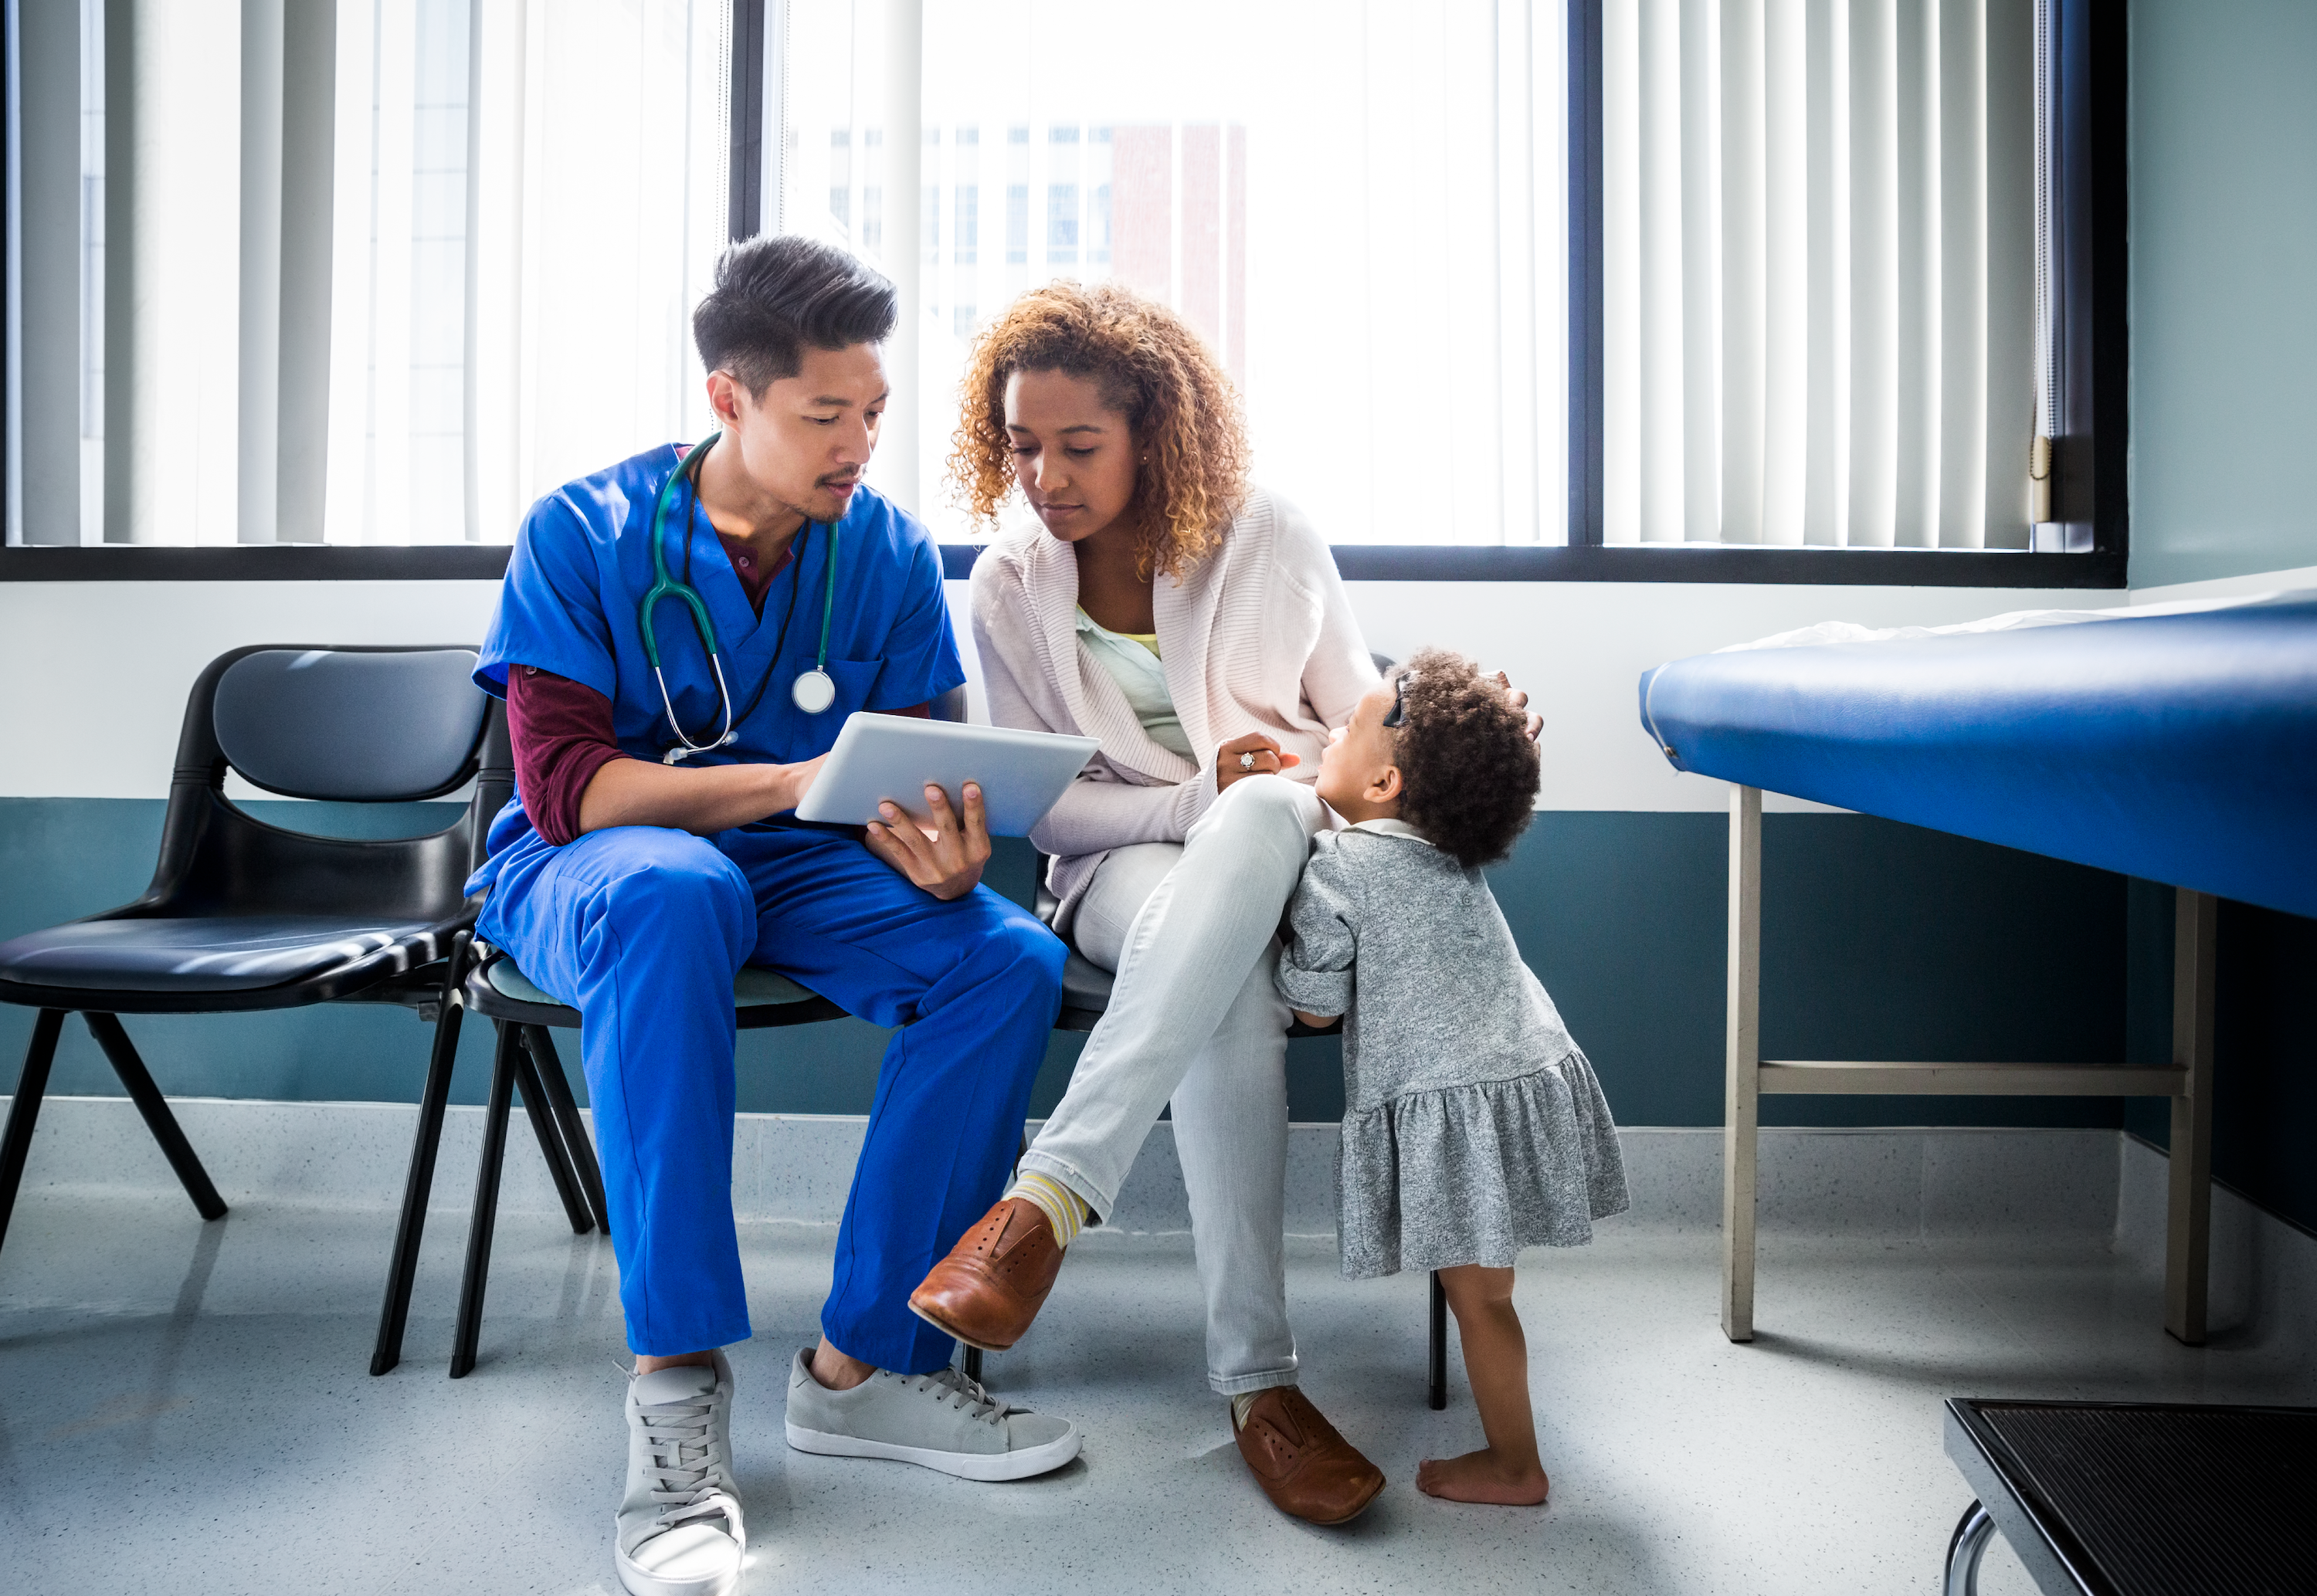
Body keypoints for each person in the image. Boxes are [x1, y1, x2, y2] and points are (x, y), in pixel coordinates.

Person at [469, 236, 1078, 1596]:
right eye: (826, 414)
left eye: (872, 409)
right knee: (676, 892)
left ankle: (866, 1366)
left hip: (798, 864)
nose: (860, 441)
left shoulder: (885, 551)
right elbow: (569, 787)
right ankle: (675, 1386)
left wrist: (937, 848)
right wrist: (793, 781)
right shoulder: (585, 532)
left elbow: (919, 765)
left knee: (1004, 958)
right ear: (728, 398)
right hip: (598, 868)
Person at [903, 280, 1390, 1523]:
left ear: (1151, 433)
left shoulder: (1269, 535)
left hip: (1288, 852)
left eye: (1078, 446)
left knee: (1269, 808)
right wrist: (1192, 805)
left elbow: (1357, 724)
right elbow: (1049, 808)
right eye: (1020, 445)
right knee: (1222, 978)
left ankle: (1042, 1201)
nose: (1044, 476)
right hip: (1117, 867)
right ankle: (1262, 1389)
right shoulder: (1009, 583)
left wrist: (1332, 771)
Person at [1275, 649, 1630, 1505]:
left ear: (1388, 784)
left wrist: (1280, 949)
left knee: (1482, 1305)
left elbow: (1316, 1009)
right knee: (1490, 1297)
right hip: (1519, 1072)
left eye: (1347, 729)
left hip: (1456, 1099)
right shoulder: (1449, 850)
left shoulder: (1340, 869)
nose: (1328, 732)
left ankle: (1516, 1466)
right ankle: (1514, 1457)